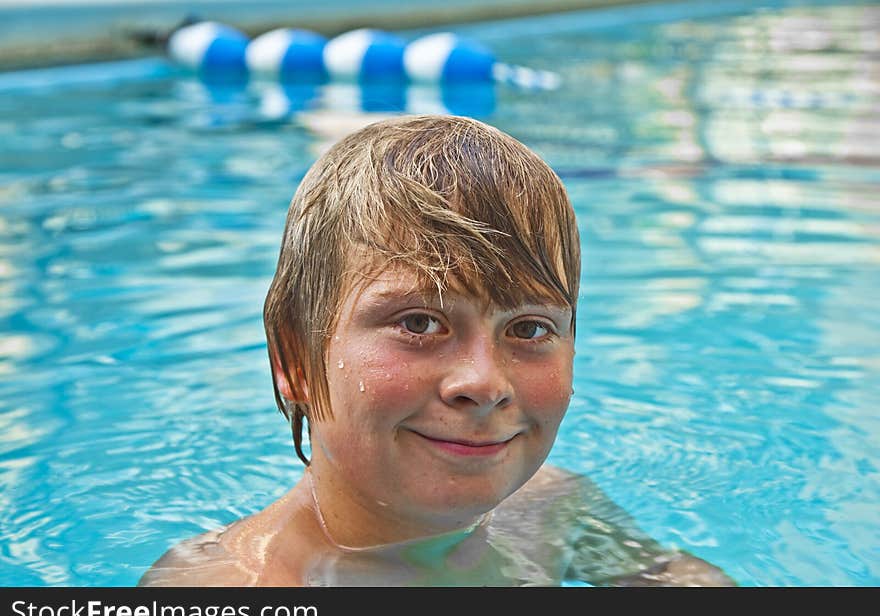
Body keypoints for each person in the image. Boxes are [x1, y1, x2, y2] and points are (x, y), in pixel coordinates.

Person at [139, 115, 735, 586]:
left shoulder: (550, 509)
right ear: (294, 362)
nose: (483, 381)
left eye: (528, 329)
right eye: (418, 323)